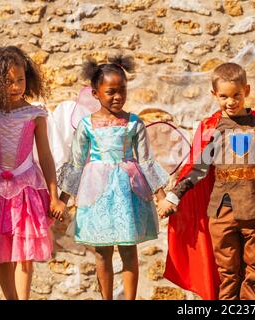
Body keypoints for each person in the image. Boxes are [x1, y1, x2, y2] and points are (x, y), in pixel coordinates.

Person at [158, 62, 255, 300]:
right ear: (214, 95)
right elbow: (197, 169)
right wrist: (174, 196)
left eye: (236, 95)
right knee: (227, 270)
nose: (231, 101)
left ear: (246, 91)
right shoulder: (212, 129)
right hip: (222, 210)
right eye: (224, 96)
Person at [58, 55, 169, 300]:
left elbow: (146, 161)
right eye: (111, 91)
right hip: (96, 193)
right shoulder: (86, 125)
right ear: (96, 93)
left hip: (129, 193)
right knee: (101, 251)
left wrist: (161, 197)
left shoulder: (134, 123)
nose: (118, 96)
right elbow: (76, 163)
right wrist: (62, 200)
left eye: (122, 90)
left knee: (129, 249)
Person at [0, 46, 65, 300]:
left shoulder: (34, 114)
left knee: (24, 254)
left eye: (20, 80)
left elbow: (45, 156)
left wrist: (55, 196)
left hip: (25, 189)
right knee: (3, 257)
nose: (16, 86)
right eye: (8, 81)